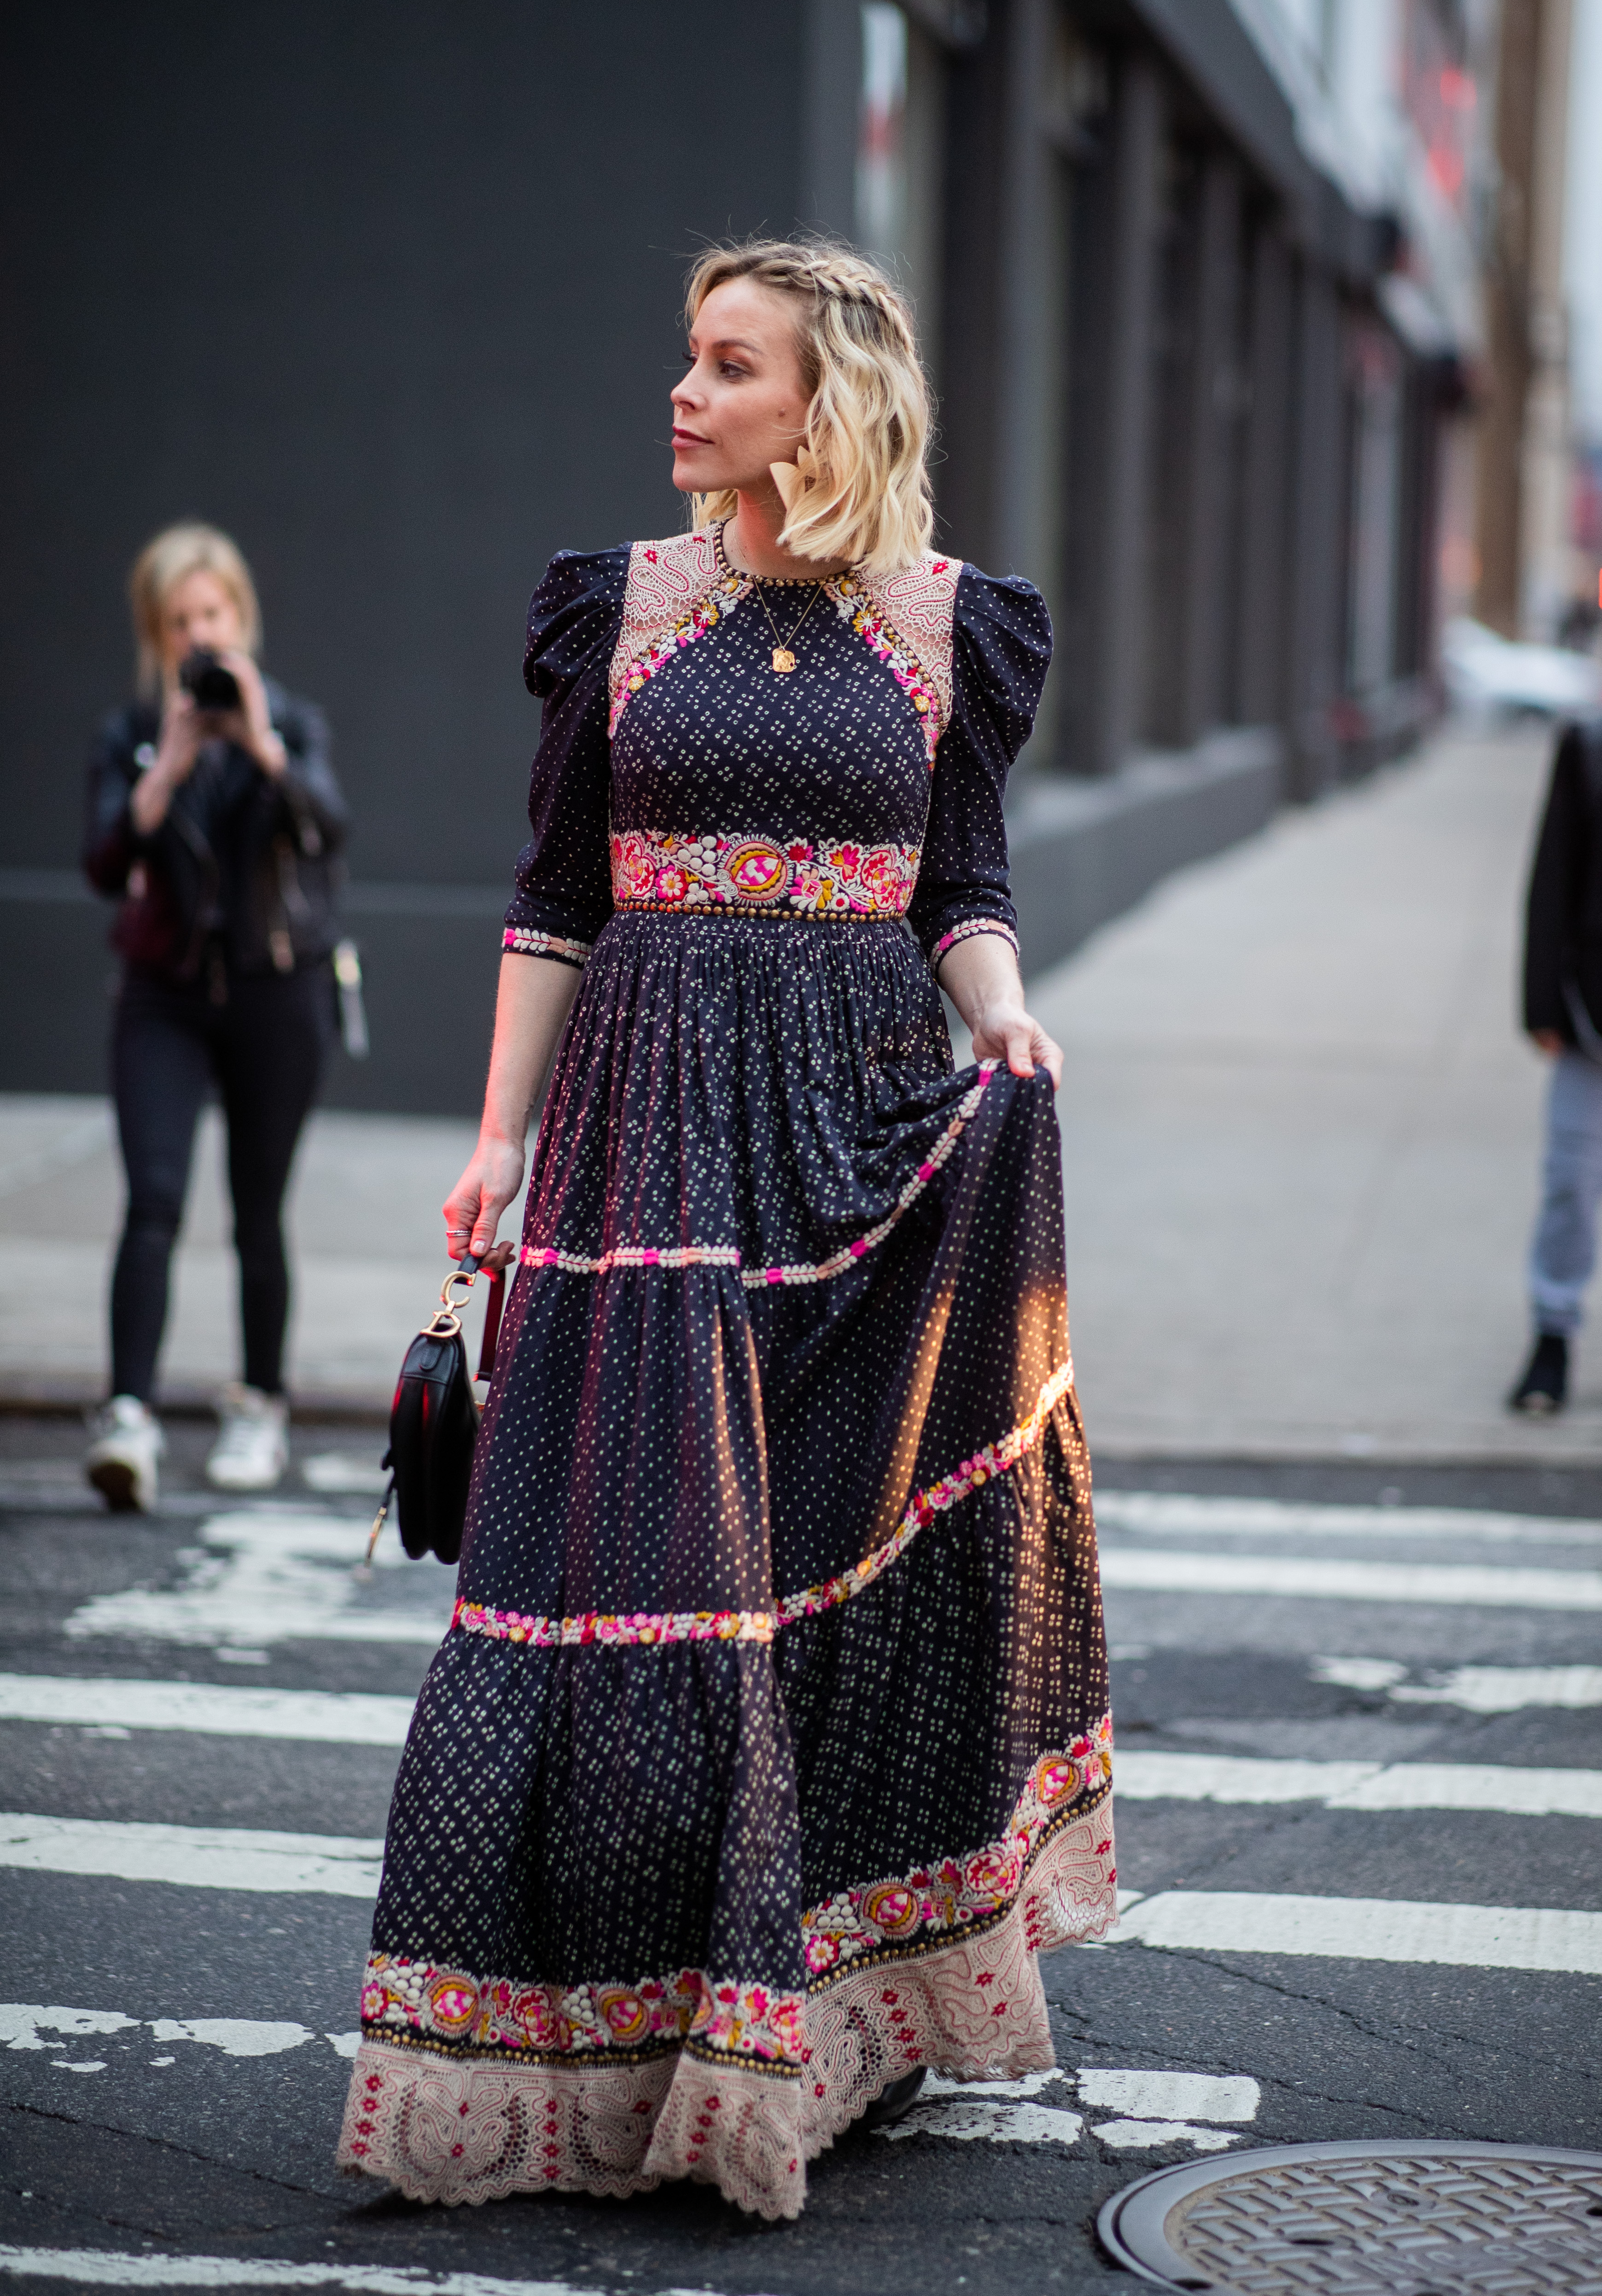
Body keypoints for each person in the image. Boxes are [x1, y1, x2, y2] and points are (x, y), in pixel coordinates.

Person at [337, 241, 1113, 2220]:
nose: (684, 393)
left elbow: (961, 881)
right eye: (691, 358)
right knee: (638, 1571)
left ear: (823, 404)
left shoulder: (950, 625)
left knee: (821, 1564)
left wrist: (1004, 1014)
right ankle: (604, 2039)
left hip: (854, 1138)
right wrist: (497, 1143)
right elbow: (555, 895)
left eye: (729, 365)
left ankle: (811, 2018)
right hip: (649, 1143)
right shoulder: (620, 604)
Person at [82, 523, 347, 1507]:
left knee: (257, 1212)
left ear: (243, 618)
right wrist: (166, 766)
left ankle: (261, 1405)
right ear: (156, 635)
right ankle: (128, 1416)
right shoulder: (132, 734)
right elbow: (103, 862)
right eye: (180, 621)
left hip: (278, 993)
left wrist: (262, 747)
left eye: (213, 614)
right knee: (152, 1201)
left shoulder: (294, 724)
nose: (200, 636)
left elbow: (329, 826)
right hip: (164, 994)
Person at [1510, 711, 1602, 1413]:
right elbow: (1554, 872)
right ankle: (1552, 1335)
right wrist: (1542, 1003)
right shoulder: (1588, 743)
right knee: (1569, 1179)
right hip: (1589, 1011)